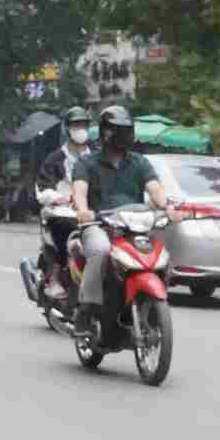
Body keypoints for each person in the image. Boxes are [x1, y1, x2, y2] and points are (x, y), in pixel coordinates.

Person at [67, 105, 175, 336]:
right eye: (119, 131)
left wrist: (168, 206)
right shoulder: (86, 163)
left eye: (127, 130)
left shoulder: (140, 163)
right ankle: (86, 310)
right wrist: (84, 210)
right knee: (101, 250)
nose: (124, 135)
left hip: (133, 228)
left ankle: (150, 301)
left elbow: (156, 191)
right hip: (98, 226)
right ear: (106, 133)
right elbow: (79, 192)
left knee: (158, 253)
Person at [35, 106, 94, 299]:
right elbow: (42, 189)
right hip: (62, 211)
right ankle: (55, 276)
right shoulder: (55, 159)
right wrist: (60, 198)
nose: (80, 129)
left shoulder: (97, 158)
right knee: (63, 229)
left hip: (92, 211)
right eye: (76, 125)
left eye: (84, 124)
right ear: (67, 128)